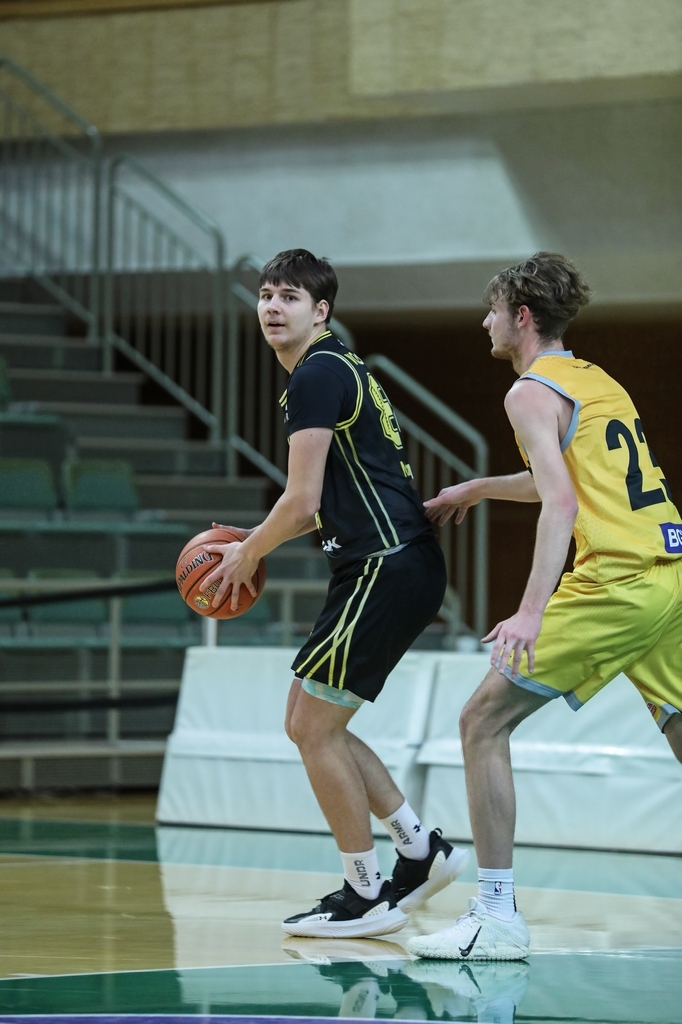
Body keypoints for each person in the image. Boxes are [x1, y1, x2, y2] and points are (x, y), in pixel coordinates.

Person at [407, 252, 682, 961]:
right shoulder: (595, 379)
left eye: (493, 310)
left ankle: (495, 916)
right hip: (670, 574)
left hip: (615, 582)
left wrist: (530, 611)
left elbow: (560, 503)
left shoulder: (527, 392)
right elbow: (564, 480)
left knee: (481, 722)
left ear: (522, 317)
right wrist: (478, 488)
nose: (485, 322)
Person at [202, 249, 469, 938]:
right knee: (311, 720)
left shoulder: (317, 373)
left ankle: (366, 893)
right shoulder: (333, 367)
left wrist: (248, 553)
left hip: (385, 563)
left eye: (289, 296)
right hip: (386, 563)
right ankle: (420, 850)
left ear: (320, 311)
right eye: (266, 294)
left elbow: (302, 501)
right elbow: (319, 502)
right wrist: (252, 538)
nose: (272, 306)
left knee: (312, 728)